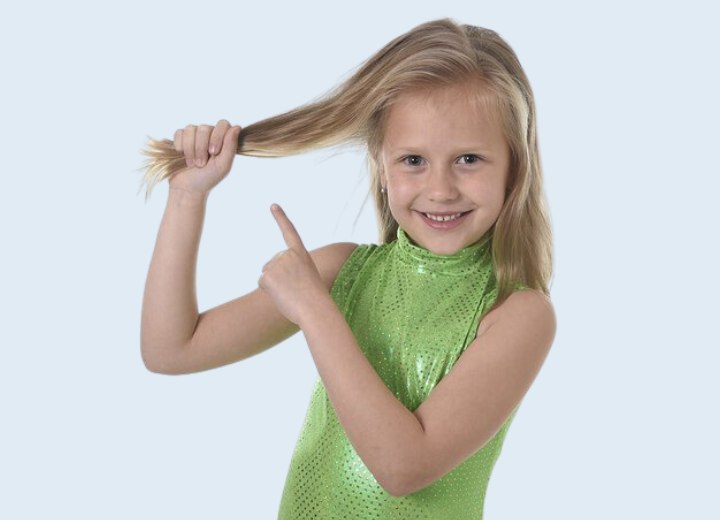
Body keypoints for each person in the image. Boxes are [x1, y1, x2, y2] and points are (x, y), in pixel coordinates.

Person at [140, 18, 556, 519]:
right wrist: (187, 197)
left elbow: (402, 468)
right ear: (381, 165)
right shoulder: (344, 271)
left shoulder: (518, 313)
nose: (441, 189)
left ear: (515, 167)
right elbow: (170, 350)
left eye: (468, 158)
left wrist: (315, 312)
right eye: (413, 161)